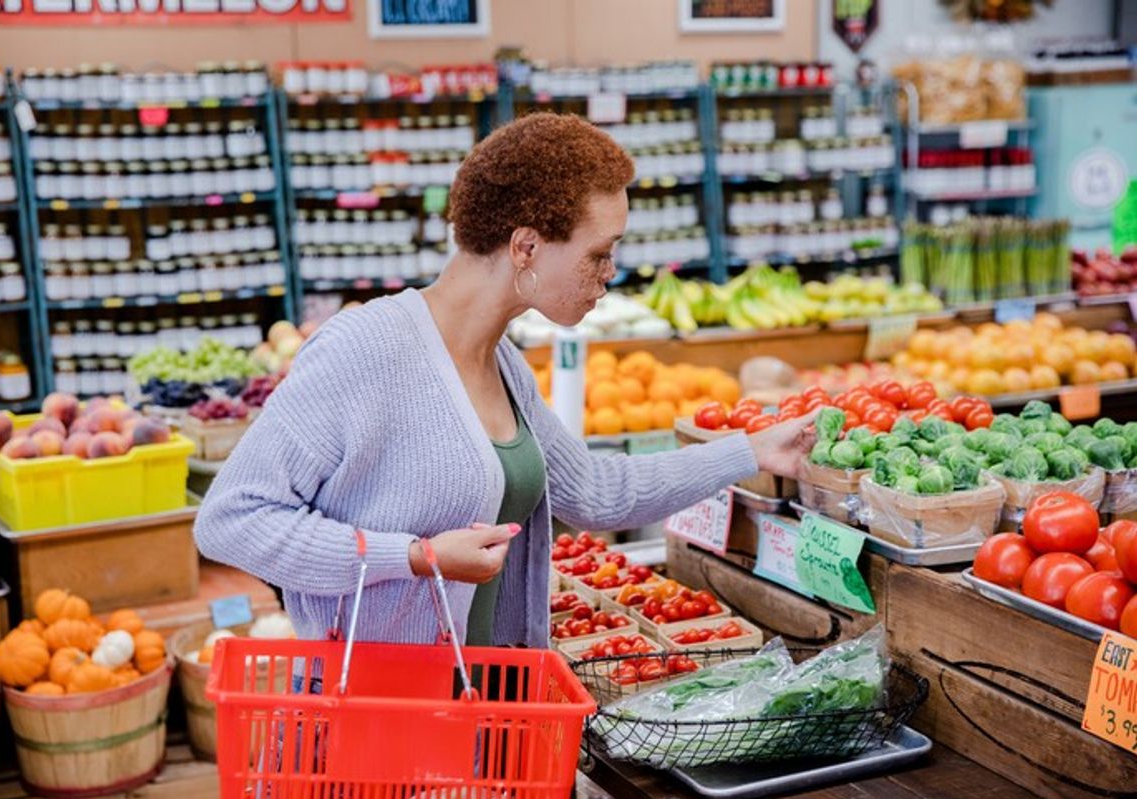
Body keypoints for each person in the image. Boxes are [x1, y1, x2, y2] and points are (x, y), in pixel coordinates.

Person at [194, 113, 817, 652]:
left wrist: (754, 450)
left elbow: (597, 493)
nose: (609, 274)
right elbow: (232, 519)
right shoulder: (365, 350)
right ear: (526, 247)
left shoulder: (503, 361)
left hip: (482, 702)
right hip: (387, 717)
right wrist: (416, 557)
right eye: (598, 253)